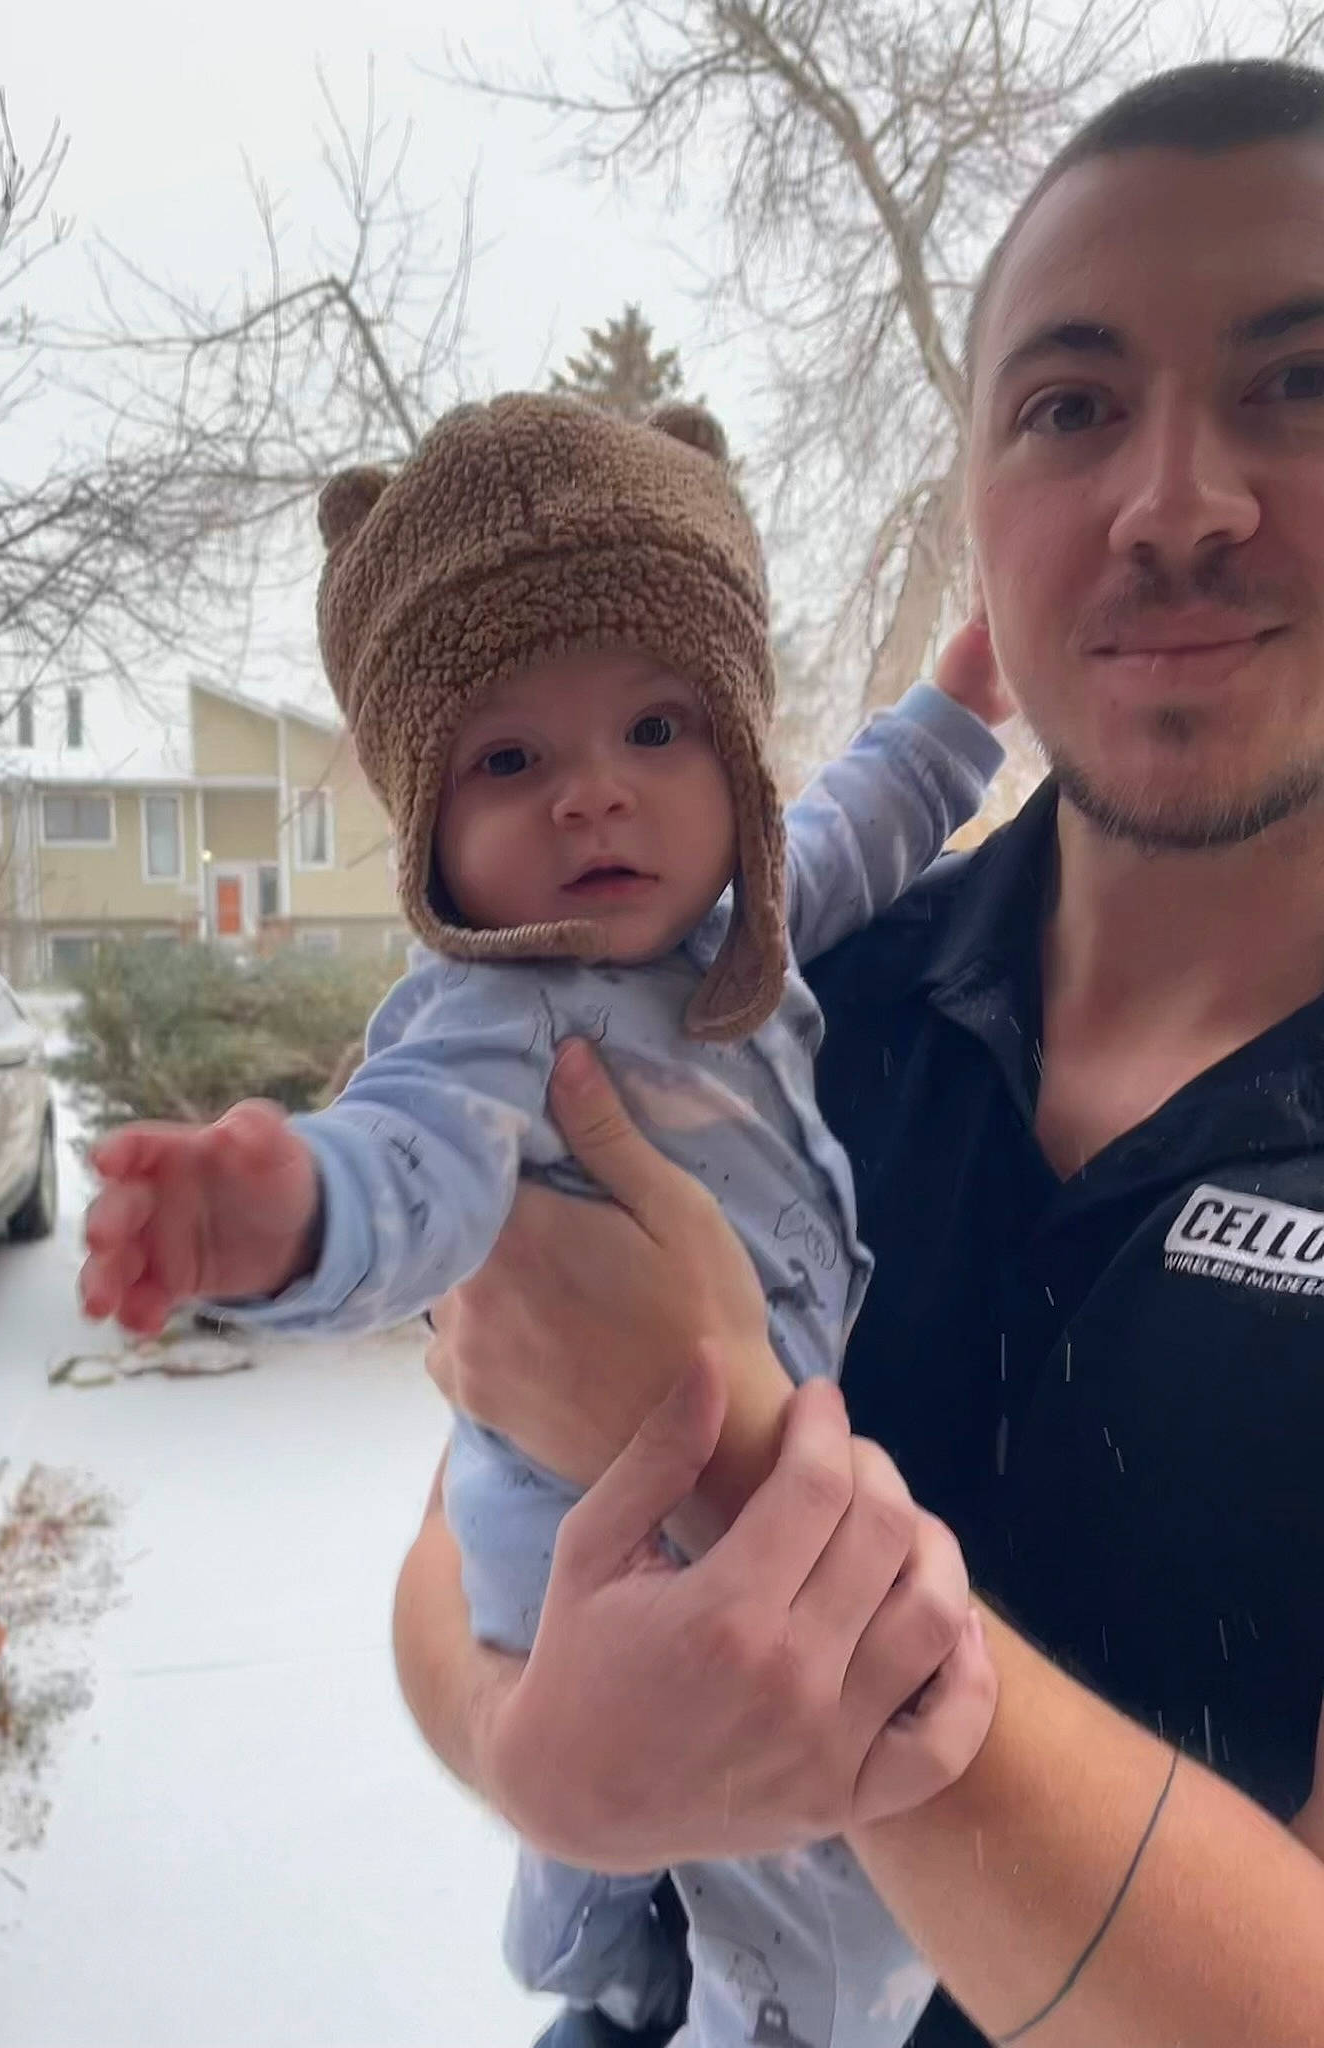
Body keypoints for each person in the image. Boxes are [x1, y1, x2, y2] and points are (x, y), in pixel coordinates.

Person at [394, 56, 1324, 2048]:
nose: (1180, 502)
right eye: (1073, 405)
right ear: (982, 505)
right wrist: (539, 1755)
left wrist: (723, 1437)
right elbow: (464, 1528)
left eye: (1300, 380)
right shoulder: (779, 994)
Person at [77, 392, 1009, 2046]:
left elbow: (856, 829)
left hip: (695, 1512)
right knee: (819, 1878)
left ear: (730, 751)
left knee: (675, 1829)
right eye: (512, 758)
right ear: (429, 822)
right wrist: (277, 1210)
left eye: (658, 731)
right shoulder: (497, 1022)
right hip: (600, 1532)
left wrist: (948, 723)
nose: (597, 795)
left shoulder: (743, 943)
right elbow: (402, 1173)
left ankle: (585, 1919)